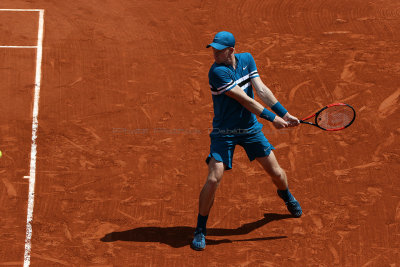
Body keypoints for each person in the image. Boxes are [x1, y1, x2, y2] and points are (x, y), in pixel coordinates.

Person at [191, 31, 302, 251]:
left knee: (277, 173)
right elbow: (244, 99)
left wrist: (285, 114)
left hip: (250, 130)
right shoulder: (217, 72)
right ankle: (200, 229)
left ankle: (286, 195)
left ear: (231, 50)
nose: (214, 52)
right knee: (213, 178)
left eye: (219, 49)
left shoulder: (247, 59)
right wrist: (272, 119)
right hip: (225, 133)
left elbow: (261, 89)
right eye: (213, 48)